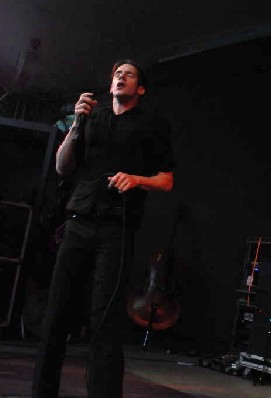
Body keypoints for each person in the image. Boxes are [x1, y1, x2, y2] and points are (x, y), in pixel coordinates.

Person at [32, 59, 175, 398]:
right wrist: (77, 124)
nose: (121, 77)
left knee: (105, 322)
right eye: (116, 74)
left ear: (140, 89)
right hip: (79, 223)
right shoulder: (90, 118)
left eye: (129, 74)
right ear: (110, 85)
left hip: (116, 230)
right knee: (55, 318)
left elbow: (166, 180)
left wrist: (137, 179)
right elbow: (62, 167)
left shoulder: (150, 125)